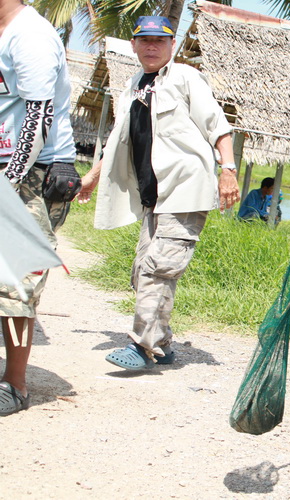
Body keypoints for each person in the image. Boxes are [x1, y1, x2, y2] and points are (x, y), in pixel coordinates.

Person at [77, 16, 240, 371]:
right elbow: (118, 139)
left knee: (158, 268)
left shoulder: (185, 77)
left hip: (184, 190)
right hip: (155, 196)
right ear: (133, 45)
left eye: (160, 41)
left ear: (171, 45)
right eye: (145, 40)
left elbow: (217, 125)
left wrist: (228, 170)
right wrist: (91, 175)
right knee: (144, 270)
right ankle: (163, 343)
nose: (152, 46)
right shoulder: (134, 85)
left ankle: (141, 346)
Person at [0, 0, 77, 416]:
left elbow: (38, 118)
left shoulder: (29, 36)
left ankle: (15, 384)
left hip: (31, 172)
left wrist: (9, 183)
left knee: (16, 282)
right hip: (7, 168)